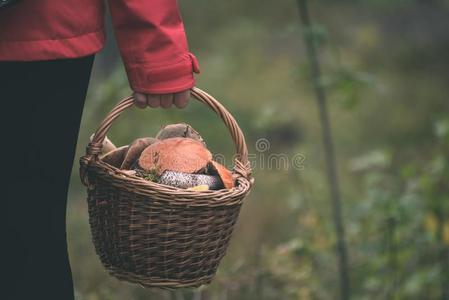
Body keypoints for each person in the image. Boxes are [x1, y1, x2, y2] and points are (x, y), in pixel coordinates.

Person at [0, 1, 199, 299]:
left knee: (26, 226)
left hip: (35, 34)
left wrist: (158, 55)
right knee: (27, 230)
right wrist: (158, 53)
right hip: (42, 31)